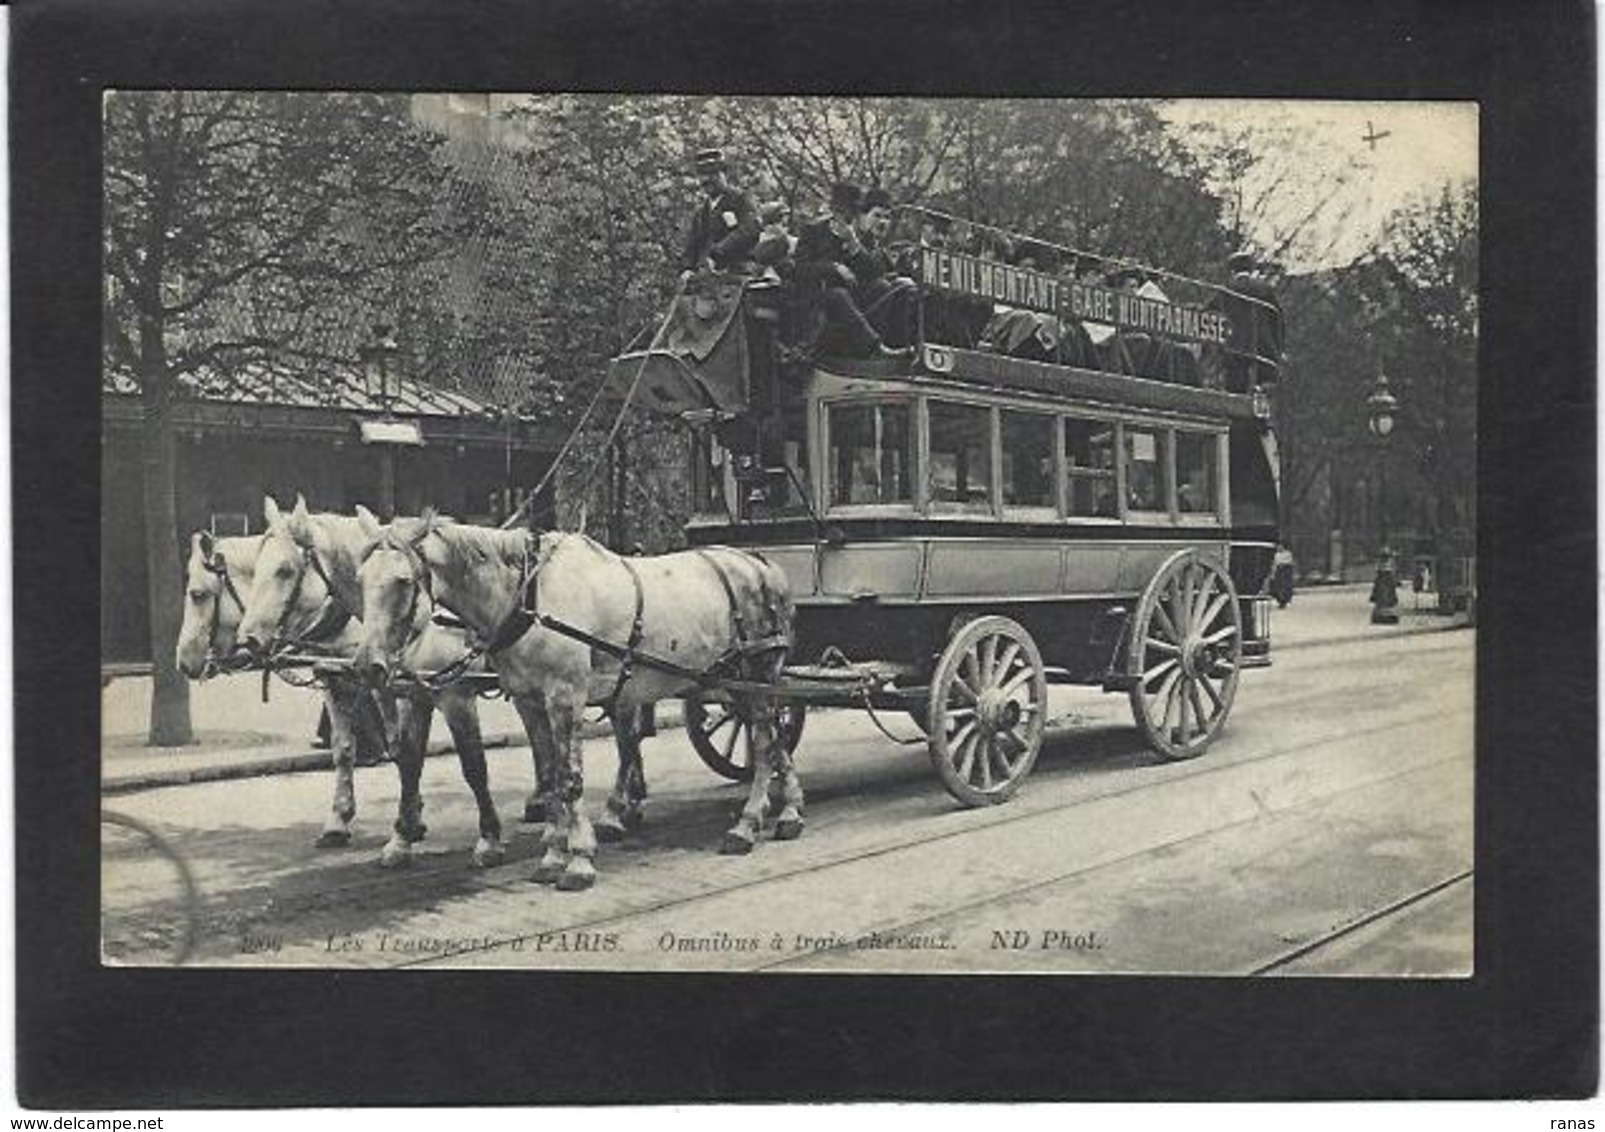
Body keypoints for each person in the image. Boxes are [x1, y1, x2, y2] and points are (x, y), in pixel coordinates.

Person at [792, 181, 911, 360]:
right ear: (833, 209)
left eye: (850, 212)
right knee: (838, 295)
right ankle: (875, 348)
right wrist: (833, 267)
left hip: (850, 298)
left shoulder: (860, 236)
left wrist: (854, 245)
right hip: (818, 296)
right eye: (841, 211)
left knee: (883, 287)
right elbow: (800, 269)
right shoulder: (814, 230)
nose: (845, 217)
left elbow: (875, 271)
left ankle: (875, 348)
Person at [850, 187, 919, 348]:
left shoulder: (880, 249)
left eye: (887, 218)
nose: (882, 222)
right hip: (855, 312)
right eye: (877, 215)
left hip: (877, 305)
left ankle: (902, 344)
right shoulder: (853, 242)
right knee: (889, 286)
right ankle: (876, 346)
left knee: (910, 289)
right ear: (862, 216)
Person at [682, 148, 759, 277]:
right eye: (702, 175)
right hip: (705, 279)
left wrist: (716, 253)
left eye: (713, 174)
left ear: (724, 174)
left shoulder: (741, 200)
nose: (706, 180)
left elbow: (750, 230)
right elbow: (692, 246)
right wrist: (688, 268)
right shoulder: (701, 213)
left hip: (736, 273)